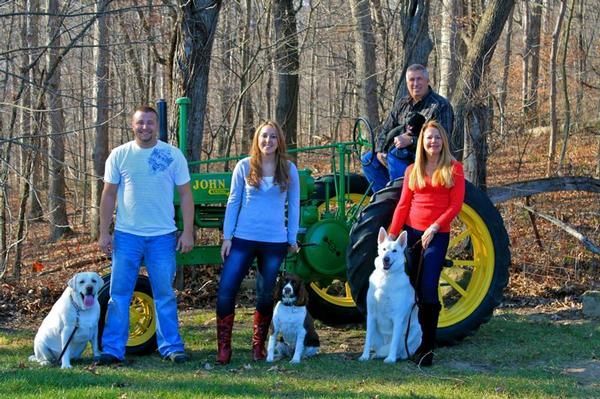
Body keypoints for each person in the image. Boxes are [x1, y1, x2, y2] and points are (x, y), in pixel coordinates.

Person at [97, 106, 194, 365]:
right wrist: (104, 233)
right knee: (119, 295)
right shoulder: (120, 155)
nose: (145, 127)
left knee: (164, 293)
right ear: (133, 125)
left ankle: (171, 347)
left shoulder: (172, 155)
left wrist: (187, 232)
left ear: (157, 126)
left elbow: (186, 195)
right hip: (126, 236)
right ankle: (113, 349)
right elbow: (108, 195)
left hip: (163, 236)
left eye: (150, 123)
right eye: (140, 122)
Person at [216, 120, 300, 365]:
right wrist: (227, 237)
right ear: (257, 139)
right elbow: (233, 202)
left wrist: (292, 237)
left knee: (265, 294)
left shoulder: (288, 169)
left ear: (279, 141)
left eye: (273, 137)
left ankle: (258, 346)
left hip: (274, 241)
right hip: (243, 238)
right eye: (264, 136)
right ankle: (224, 347)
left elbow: (294, 205)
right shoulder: (244, 166)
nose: (268, 141)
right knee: (226, 290)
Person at [387, 120, 465, 367]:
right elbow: (403, 205)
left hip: (437, 234)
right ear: (422, 142)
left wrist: (434, 226)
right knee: (411, 287)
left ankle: (427, 347)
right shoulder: (413, 170)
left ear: (444, 141)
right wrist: (391, 235)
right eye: (429, 138)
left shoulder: (454, 168)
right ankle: (408, 341)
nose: (433, 142)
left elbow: (455, 206)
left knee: (428, 286)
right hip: (411, 233)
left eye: (437, 138)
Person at [362, 64, 454, 192]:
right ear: (407, 83)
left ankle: (401, 199)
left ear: (427, 81)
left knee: (395, 157)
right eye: (411, 80)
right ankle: (384, 199)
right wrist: (379, 151)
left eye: (419, 79)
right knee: (368, 159)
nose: (415, 83)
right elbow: (385, 130)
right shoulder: (402, 104)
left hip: (425, 160)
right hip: (396, 155)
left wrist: (411, 141)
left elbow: (443, 140)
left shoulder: (440, 105)